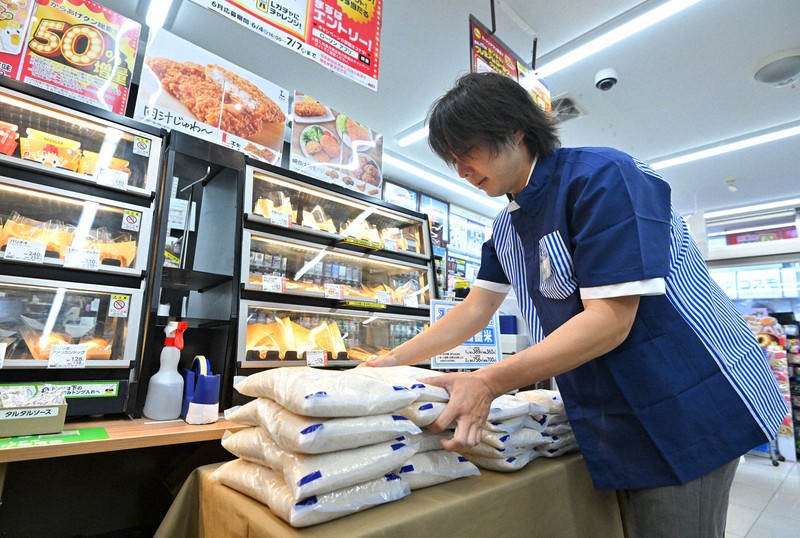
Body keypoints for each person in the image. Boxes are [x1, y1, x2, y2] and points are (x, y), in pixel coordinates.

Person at [365, 72, 787, 537]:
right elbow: (473, 310)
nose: (461, 169)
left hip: (689, 393)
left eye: (468, 151)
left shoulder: (604, 177)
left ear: (515, 130)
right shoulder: (507, 227)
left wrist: (488, 381)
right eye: (452, 159)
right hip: (615, 409)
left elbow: (610, 321)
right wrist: (392, 360)